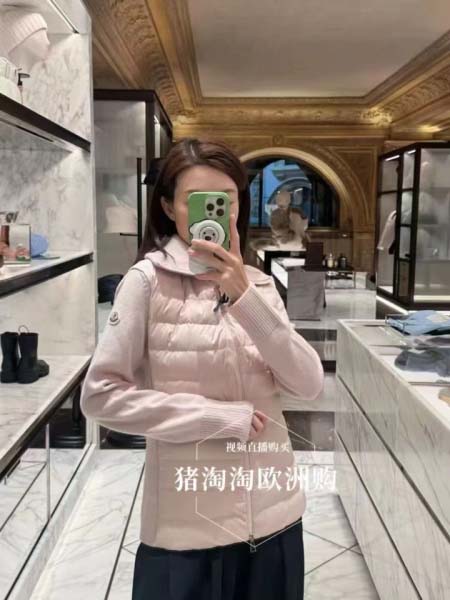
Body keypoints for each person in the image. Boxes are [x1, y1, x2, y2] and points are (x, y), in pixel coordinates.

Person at [80, 138, 324, 600]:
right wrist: (214, 418)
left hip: (275, 519)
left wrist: (246, 299)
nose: (216, 212)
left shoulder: (259, 285)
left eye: (227, 200)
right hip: (187, 533)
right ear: (169, 207)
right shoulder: (146, 282)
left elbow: (309, 385)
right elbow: (100, 396)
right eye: (198, 200)